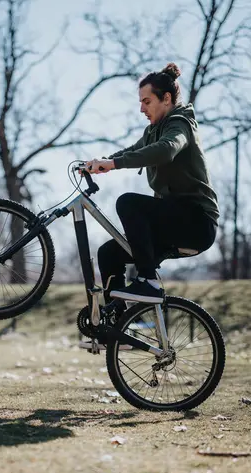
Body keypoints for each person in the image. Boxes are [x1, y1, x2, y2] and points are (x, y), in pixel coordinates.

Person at [85, 62, 219, 306]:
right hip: (171, 224)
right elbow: (133, 151)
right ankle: (117, 329)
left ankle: (149, 283)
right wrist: (102, 163)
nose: (141, 109)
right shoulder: (152, 131)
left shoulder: (180, 124)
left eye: (146, 102)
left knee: (128, 203)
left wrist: (114, 163)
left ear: (166, 99)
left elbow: (167, 150)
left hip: (196, 223)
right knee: (108, 254)